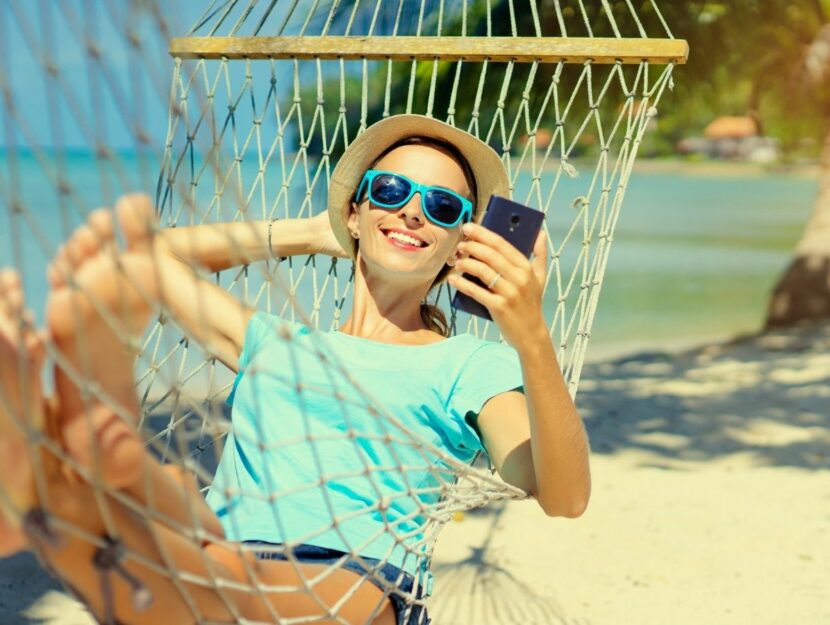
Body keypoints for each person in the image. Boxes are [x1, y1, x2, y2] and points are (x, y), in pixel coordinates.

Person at [0, 114, 591, 625]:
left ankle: (93, 495)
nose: (412, 212)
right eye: (389, 191)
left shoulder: (468, 363)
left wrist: (532, 336)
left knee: (205, 577)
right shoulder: (276, 345)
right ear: (355, 214)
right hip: (231, 558)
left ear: (460, 244)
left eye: (440, 206)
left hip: (360, 581)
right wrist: (312, 232)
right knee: (207, 574)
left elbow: (564, 496)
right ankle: (90, 496)